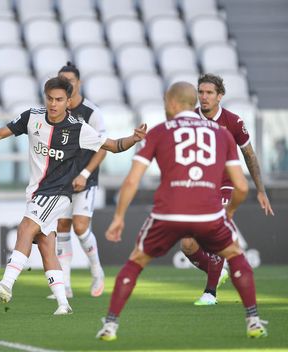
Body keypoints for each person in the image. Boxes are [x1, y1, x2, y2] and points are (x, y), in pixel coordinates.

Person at [96, 82, 267, 342]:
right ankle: (253, 320)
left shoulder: (160, 131)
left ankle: (110, 325)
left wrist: (119, 217)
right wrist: (228, 212)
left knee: (136, 261)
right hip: (208, 213)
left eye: (166, 102)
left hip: (168, 213)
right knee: (235, 255)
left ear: (174, 103)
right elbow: (241, 186)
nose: (165, 107)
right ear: (193, 100)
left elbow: (132, 180)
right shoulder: (221, 134)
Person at [0, 76, 146, 315]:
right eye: (50, 99)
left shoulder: (78, 128)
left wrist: (133, 139)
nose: (53, 104)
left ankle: (6, 284)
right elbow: (2, 132)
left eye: (59, 99)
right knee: (46, 244)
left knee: (25, 228)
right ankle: (63, 304)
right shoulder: (32, 116)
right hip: (37, 192)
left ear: (68, 101)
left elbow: (114, 145)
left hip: (57, 193)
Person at [180, 73, 274, 306]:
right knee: (187, 244)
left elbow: (249, 156)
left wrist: (260, 189)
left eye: (209, 93)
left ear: (220, 96)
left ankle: (210, 292)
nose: (204, 97)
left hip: (223, 184)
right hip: (196, 186)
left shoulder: (233, 122)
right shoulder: (188, 120)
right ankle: (218, 271)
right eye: (201, 92)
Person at [51, 62, 107, 299]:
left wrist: (84, 174)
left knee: (81, 227)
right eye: (62, 81)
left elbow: (104, 147)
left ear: (78, 83)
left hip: (86, 179)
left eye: (70, 81)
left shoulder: (91, 113)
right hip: (62, 181)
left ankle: (97, 271)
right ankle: (65, 287)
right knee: (62, 227)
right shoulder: (55, 111)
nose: (66, 85)